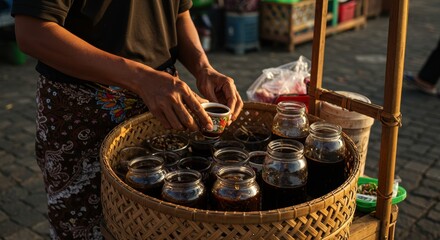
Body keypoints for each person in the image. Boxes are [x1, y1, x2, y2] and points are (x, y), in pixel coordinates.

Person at [11, 1, 243, 239]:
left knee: (161, 225)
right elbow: (32, 32)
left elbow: (178, 13)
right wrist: (140, 77)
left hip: (163, 104)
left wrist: (203, 67)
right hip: (85, 111)